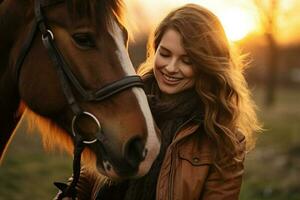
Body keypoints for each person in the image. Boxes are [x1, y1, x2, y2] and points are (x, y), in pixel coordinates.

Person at [57, 3, 261, 200]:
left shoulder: (225, 140)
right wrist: (70, 194)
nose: (171, 67)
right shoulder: (126, 105)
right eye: (165, 54)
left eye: (187, 60)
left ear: (206, 65)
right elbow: (90, 175)